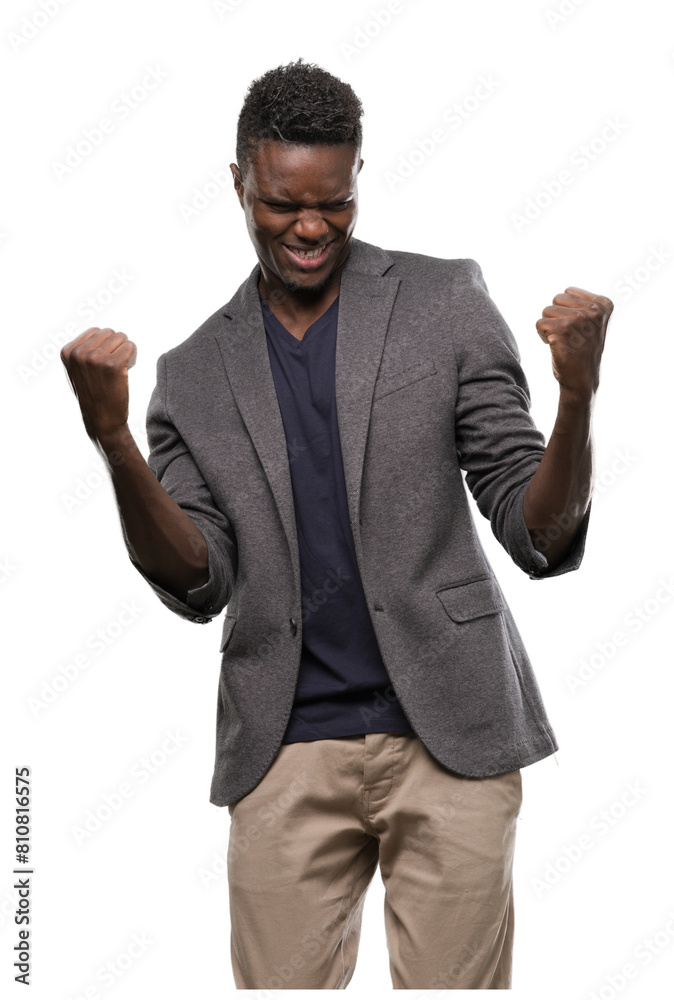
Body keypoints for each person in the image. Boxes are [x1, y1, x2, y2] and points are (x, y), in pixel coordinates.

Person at [60, 58, 613, 990]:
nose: (311, 226)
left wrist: (579, 395)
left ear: (356, 178)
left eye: (335, 201)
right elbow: (198, 584)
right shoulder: (191, 375)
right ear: (239, 181)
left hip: (455, 732)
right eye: (282, 205)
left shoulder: (443, 305)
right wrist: (113, 438)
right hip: (282, 747)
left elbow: (539, 533)